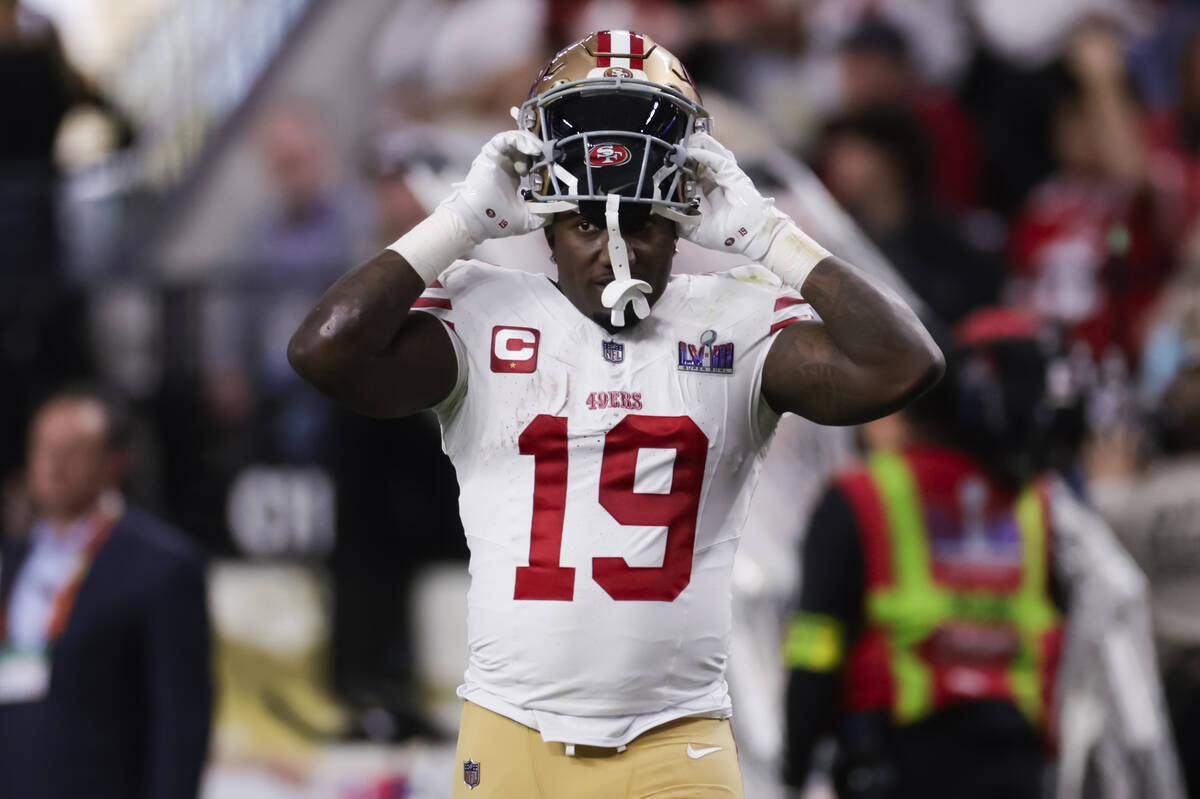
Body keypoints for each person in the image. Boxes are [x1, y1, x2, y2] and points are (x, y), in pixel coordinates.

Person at [289, 30, 942, 798]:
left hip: (676, 738)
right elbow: (323, 352)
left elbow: (905, 362)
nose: (613, 253)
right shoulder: (484, 306)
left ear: (682, 223)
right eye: (587, 223)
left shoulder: (733, 318)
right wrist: (458, 221)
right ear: (544, 224)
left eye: (641, 223)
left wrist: (770, 235)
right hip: (510, 730)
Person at [782, 308, 1076, 799]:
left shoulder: (862, 494)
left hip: (898, 761)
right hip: (1014, 761)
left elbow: (816, 642)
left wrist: (795, 766)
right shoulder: (1032, 502)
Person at [0, 388, 212, 799]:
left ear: (115, 463)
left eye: (72, 451)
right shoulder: (14, 557)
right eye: (43, 448)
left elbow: (181, 717)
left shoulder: (161, 565)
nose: (53, 465)